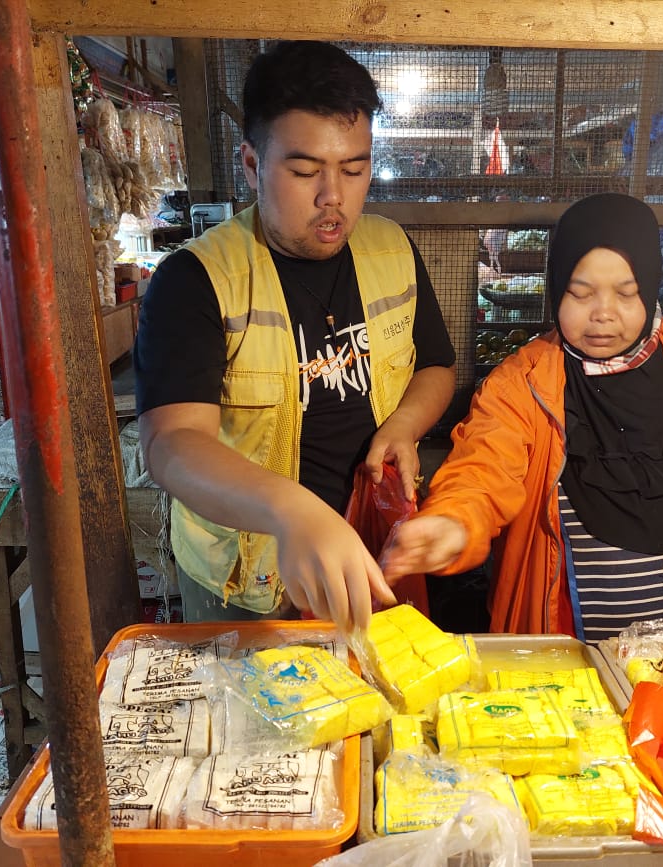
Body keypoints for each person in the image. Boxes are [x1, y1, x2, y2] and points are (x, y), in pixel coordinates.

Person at [135, 41, 457, 632]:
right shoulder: (197, 280)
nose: (334, 196)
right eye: (306, 171)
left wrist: (405, 425)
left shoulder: (391, 249)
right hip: (250, 576)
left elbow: (436, 366)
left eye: (355, 169)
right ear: (253, 164)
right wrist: (290, 511)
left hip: (372, 545)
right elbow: (172, 444)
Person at [383, 193, 663, 642]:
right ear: (556, 287)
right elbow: (482, 472)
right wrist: (453, 522)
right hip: (571, 661)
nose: (602, 314)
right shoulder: (522, 383)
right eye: (580, 293)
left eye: (626, 293)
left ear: (651, 286)